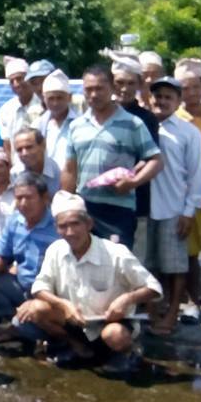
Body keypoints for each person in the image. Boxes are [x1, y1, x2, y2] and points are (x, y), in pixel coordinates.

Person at [18, 191, 162, 372]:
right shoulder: (55, 250)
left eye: (75, 224)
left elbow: (154, 287)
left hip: (110, 323)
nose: (70, 232)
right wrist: (63, 304)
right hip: (75, 322)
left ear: (89, 224)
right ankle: (76, 347)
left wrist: (126, 299)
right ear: (56, 229)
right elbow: (40, 287)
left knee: (114, 335)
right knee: (36, 309)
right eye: (63, 226)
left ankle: (129, 352)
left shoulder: (115, 252)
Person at [61, 66, 163, 249]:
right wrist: (65, 204)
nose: (94, 94)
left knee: (117, 268)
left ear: (112, 89)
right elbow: (70, 169)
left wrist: (132, 183)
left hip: (119, 211)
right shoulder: (76, 126)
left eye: (99, 88)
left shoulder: (133, 123)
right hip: (85, 208)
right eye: (88, 89)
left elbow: (156, 161)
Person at [146, 77, 201, 334]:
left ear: (178, 102)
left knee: (176, 266)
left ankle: (172, 314)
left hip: (173, 209)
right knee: (146, 266)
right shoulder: (142, 126)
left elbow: (196, 176)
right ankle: (151, 313)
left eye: (169, 97)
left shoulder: (188, 132)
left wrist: (188, 211)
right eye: (158, 96)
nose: (162, 101)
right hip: (144, 210)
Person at [0, 172, 59, 335]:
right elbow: (2, 256)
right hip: (22, 287)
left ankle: (56, 338)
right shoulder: (15, 220)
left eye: (29, 197)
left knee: (34, 320)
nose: (23, 203)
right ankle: (14, 320)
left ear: (44, 197)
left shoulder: (58, 227)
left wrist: (40, 299)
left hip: (50, 294)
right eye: (18, 198)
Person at [110, 53, 161, 261]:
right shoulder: (101, 114)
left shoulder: (146, 118)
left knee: (135, 261)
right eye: (120, 82)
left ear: (139, 84)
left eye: (131, 83)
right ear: (112, 84)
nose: (125, 88)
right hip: (104, 203)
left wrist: (129, 179)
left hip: (137, 201)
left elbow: (150, 157)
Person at [174, 58, 201, 315]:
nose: (192, 93)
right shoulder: (175, 121)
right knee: (190, 256)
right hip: (192, 198)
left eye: (196, 87)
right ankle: (193, 304)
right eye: (185, 89)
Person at [0, 56, 43, 161]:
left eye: (19, 79)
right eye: (12, 81)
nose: (16, 84)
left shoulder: (43, 105)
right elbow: (7, 143)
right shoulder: (6, 110)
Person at [35, 70, 77, 171]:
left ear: (69, 98)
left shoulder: (80, 125)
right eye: (51, 98)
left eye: (59, 98)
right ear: (44, 99)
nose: (55, 103)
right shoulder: (37, 125)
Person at [11, 128, 61, 196]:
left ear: (43, 145)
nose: (24, 153)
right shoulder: (15, 173)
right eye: (19, 150)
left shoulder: (59, 172)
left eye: (29, 147)